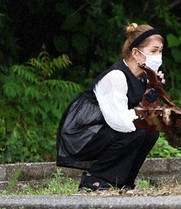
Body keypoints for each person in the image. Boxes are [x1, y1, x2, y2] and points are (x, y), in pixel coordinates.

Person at [57, 23, 164, 191]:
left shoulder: (143, 77)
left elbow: (141, 112)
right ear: (136, 52)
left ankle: (123, 182)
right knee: (138, 130)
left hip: (106, 131)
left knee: (150, 133)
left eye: (160, 51)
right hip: (86, 135)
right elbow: (119, 121)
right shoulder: (117, 76)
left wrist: (153, 89)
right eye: (153, 51)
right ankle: (95, 180)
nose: (158, 56)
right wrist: (147, 115)